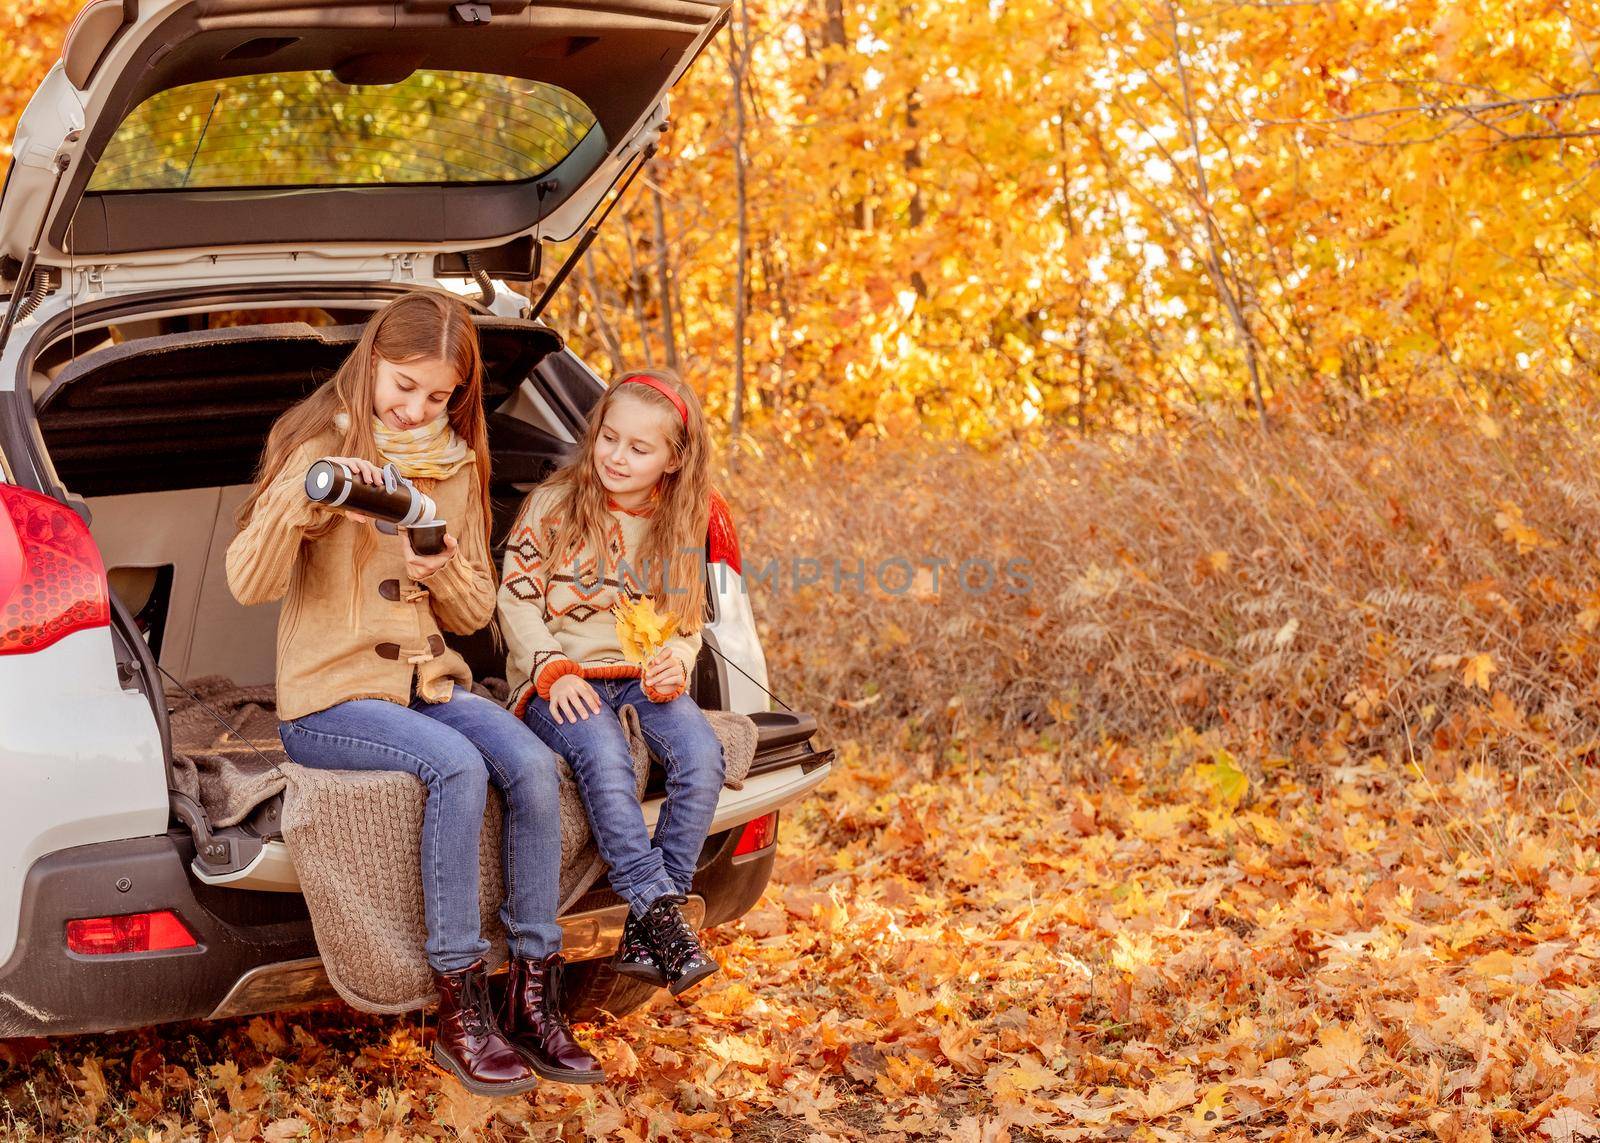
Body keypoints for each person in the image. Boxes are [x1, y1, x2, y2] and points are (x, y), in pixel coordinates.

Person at [224, 291, 602, 1095]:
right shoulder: (316, 447)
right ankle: (458, 1007)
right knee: (457, 768)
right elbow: (246, 581)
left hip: (427, 681)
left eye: (438, 396)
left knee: (532, 767)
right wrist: (306, 499)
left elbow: (473, 613)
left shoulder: (458, 462)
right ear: (370, 363)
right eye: (403, 385)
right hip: (331, 699)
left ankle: (534, 992)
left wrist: (445, 567)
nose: (417, 406)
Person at [498, 367, 726, 998]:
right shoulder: (554, 505)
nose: (617, 457)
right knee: (601, 753)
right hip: (560, 677)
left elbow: (686, 623)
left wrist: (678, 658)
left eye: (639, 447)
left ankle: (646, 928)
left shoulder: (679, 524)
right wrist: (550, 667)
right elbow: (514, 600)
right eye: (609, 438)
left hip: (639, 677)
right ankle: (660, 913)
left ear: (675, 459)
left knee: (703, 755)